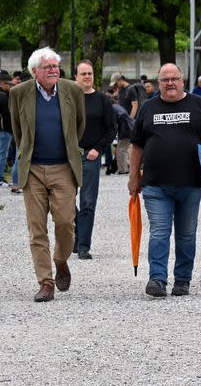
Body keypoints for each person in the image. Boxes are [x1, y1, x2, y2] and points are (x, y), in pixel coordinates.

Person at [129, 63, 201, 297]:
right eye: (165, 80)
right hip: (155, 184)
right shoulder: (148, 108)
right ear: (158, 83)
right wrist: (133, 177)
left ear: (182, 80)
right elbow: (137, 145)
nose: (170, 83)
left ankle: (182, 279)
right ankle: (157, 279)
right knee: (160, 232)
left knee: (186, 234)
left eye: (174, 78)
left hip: (190, 184)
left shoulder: (199, 105)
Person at [9, 47, 86, 302]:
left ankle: (60, 259)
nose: (54, 70)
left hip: (63, 167)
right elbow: (18, 131)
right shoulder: (19, 93)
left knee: (66, 222)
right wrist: (28, 156)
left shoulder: (72, 90)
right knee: (37, 228)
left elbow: (79, 124)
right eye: (48, 67)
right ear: (34, 72)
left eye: (55, 66)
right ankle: (46, 282)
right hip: (33, 170)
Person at [72, 61, 116, 260]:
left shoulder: (103, 100)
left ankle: (83, 246)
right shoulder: (69, 98)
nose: (87, 76)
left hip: (91, 155)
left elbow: (111, 128)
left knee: (88, 200)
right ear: (76, 77)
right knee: (63, 200)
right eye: (83, 73)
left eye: (89, 73)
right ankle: (76, 234)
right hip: (69, 155)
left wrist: (98, 149)